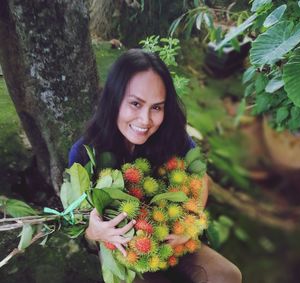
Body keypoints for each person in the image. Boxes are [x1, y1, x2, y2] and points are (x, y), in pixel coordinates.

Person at [68, 49, 242, 283]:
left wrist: (188, 226)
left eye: (157, 107)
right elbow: (84, 229)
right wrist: (95, 233)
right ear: (114, 99)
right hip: (125, 253)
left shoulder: (173, 137)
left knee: (227, 276)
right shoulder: (85, 153)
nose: (145, 120)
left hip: (172, 239)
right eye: (135, 103)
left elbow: (201, 179)